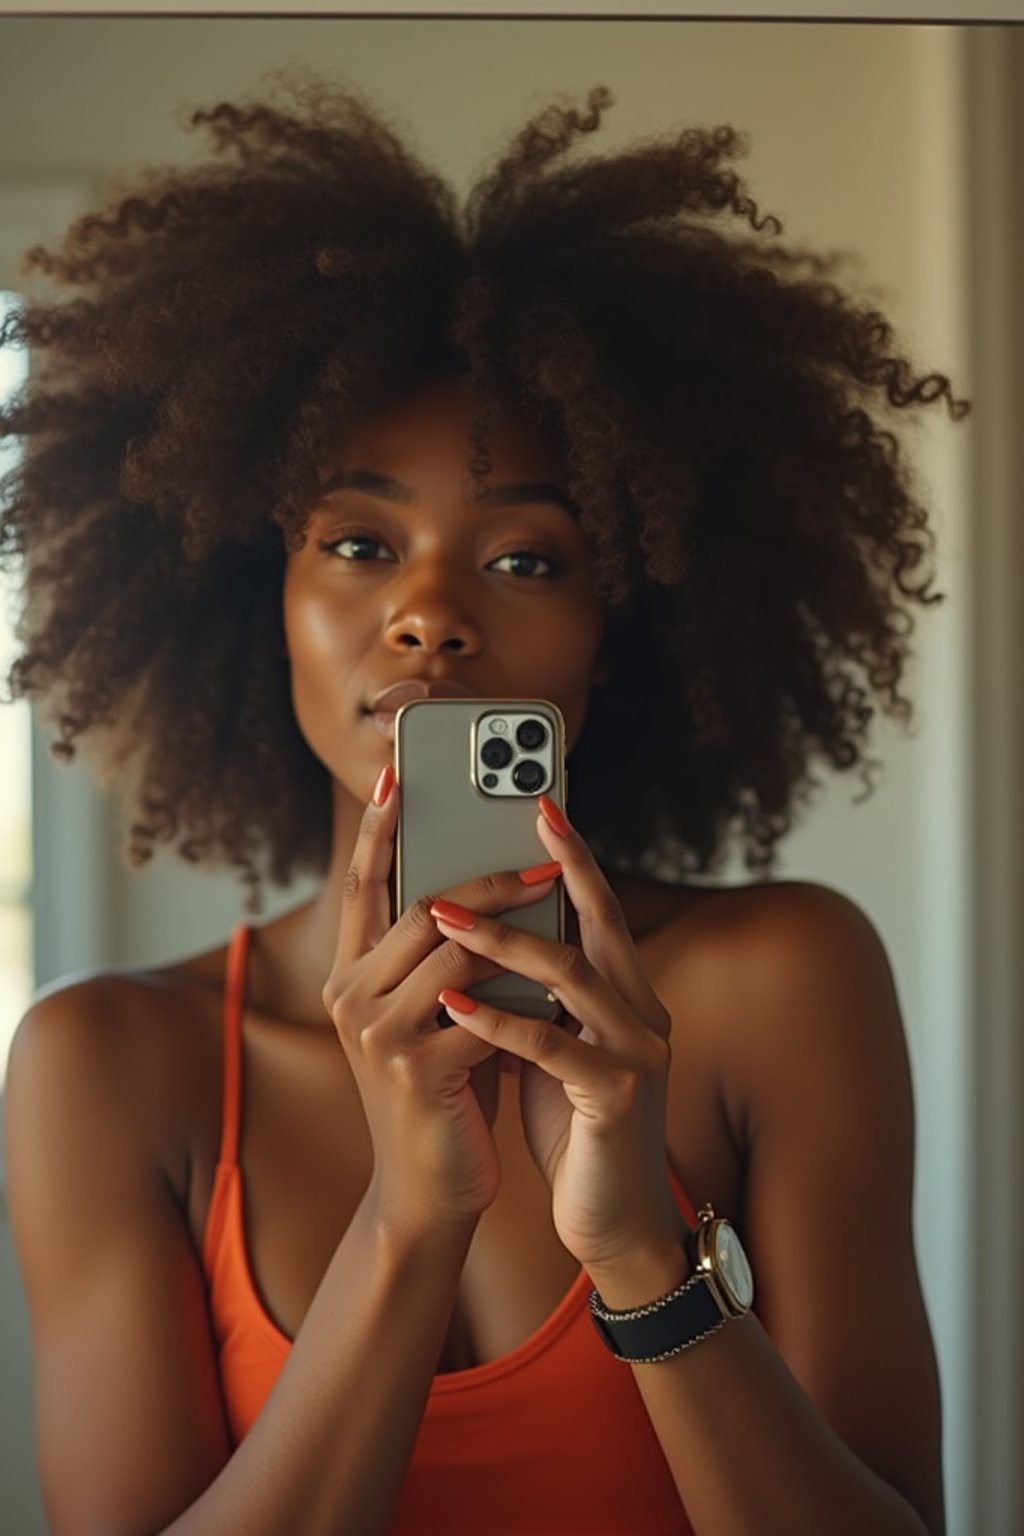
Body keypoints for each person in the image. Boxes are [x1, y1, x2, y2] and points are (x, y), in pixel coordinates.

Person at [1, 73, 961, 1536]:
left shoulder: (780, 985)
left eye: (525, 560)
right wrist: (410, 1219)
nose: (432, 616)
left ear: (620, 623)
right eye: (359, 542)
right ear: (249, 594)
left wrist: (640, 1252)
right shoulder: (108, 1065)